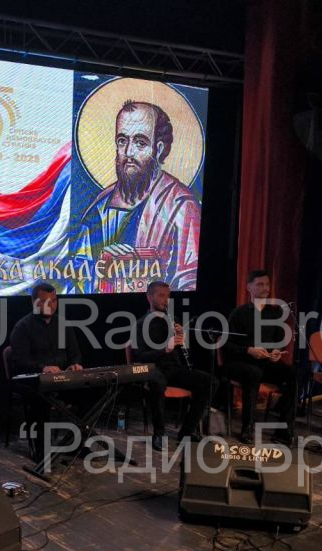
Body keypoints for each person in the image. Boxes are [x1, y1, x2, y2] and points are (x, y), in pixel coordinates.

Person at [72, 100, 201, 290]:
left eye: (140, 143)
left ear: (158, 149)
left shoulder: (180, 206)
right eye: (122, 141)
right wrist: (103, 267)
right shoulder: (100, 206)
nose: (128, 152)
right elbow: (78, 270)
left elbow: (190, 280)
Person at [131, 280, 216, 447]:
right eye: (161, 296)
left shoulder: (173, 320)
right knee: (157, 383)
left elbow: (185, 354)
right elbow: (140, 356)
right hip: (153, 369)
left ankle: (187, 431)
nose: (166, 300)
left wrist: (183, 339)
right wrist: (165, 349)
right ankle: (159, 433)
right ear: (149, 297)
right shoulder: (139, 324)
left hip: (174, 369)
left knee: (209, 381)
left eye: (168, 296)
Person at [9, 282, 83, 460]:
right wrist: (42, 368)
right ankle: (42, 450)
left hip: (62, 380)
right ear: (34, 302)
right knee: (41, 399)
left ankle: (77, 444)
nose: (50, 305)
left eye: (54, 301)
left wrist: (75, 365)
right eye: (44, 301)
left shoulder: (63, 324)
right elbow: (19, 362)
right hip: (33, 382)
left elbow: (75, 354)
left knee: (87, 394)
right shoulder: (23, 327)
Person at [221, 270, 296, 443]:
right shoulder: (239, 313)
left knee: (294, 373)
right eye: (260, 284)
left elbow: (280, 340)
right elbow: (227, 344)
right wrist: (248, 350)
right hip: (241, 362)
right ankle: (247, 428)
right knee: (253, 373)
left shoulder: (275, 313)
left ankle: (283, 429)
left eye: (267, 284)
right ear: (249, 287)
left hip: (265, 362)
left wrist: (276, 351)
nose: (265, 288)